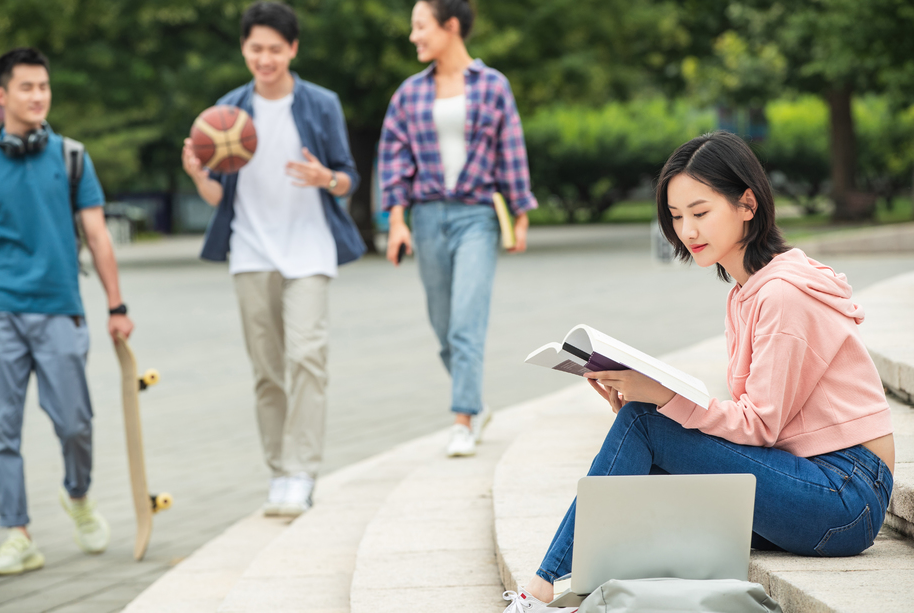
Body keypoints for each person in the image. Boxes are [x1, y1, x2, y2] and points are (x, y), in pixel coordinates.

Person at [503, 131, 895, 612]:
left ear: (747, 204)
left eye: (700, 212)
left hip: (846, 495)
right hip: (814, 480)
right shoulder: (746, 292)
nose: (687, 230)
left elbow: (760, 425)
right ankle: (587, 593)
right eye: (676, 216)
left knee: (646, 423)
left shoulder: (782, 296)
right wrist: (649, 396)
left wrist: (663, 401)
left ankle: (542, 591)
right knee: (649, 438)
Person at [182, 1, 364, 517]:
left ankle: (302, 470)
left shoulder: (320, 103)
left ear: (293, 50)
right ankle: (278, 472)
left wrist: (324, 178)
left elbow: (348, 175)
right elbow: (219, 196)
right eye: (256, 48)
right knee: (266, 371)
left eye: (275, 49)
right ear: (244, 49)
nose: (265, 58)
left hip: (309, 252)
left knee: (307, 357)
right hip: (251, 252)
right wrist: (199, 176)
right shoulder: (227, 112)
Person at [0, 47, 135, 575]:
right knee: (1, 430)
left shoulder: (72, 156)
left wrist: (116, 305)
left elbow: (98, 236)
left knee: (75, 423)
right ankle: (18, 533)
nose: (37, 96)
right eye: (26, 87)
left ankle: (78, 495)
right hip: (0, 309)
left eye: (44, 87)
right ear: (1, 96)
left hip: (59, 308)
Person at [379, 0, 538, 458]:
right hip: (427, 216)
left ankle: (463, 419)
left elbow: (511, 149)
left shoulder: (493, 86)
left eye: (420, 26)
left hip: (476, 216)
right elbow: (393, 161)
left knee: (467, 321)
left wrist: (521, 213)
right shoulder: (409, 93)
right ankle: (477, 404)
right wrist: (396, 223)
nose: (414, 36)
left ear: (450, 26)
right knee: (444, 326)